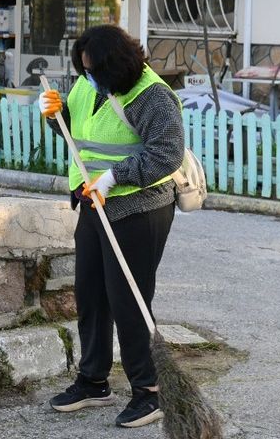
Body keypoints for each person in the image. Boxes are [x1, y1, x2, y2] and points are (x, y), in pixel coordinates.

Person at [38, 24, 184, 429]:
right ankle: (93, 380)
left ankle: (149, 391)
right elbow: (79, 135)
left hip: (138, 208)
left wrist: (115, 177)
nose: (88, 77)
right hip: (93, 204)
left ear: (115, 66)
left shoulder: (152, 96)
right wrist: (55, 115)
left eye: (93, 70)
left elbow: (167, 153)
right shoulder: (89, 85)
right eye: (83, 70)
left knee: (128, 300)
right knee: (90, 294)